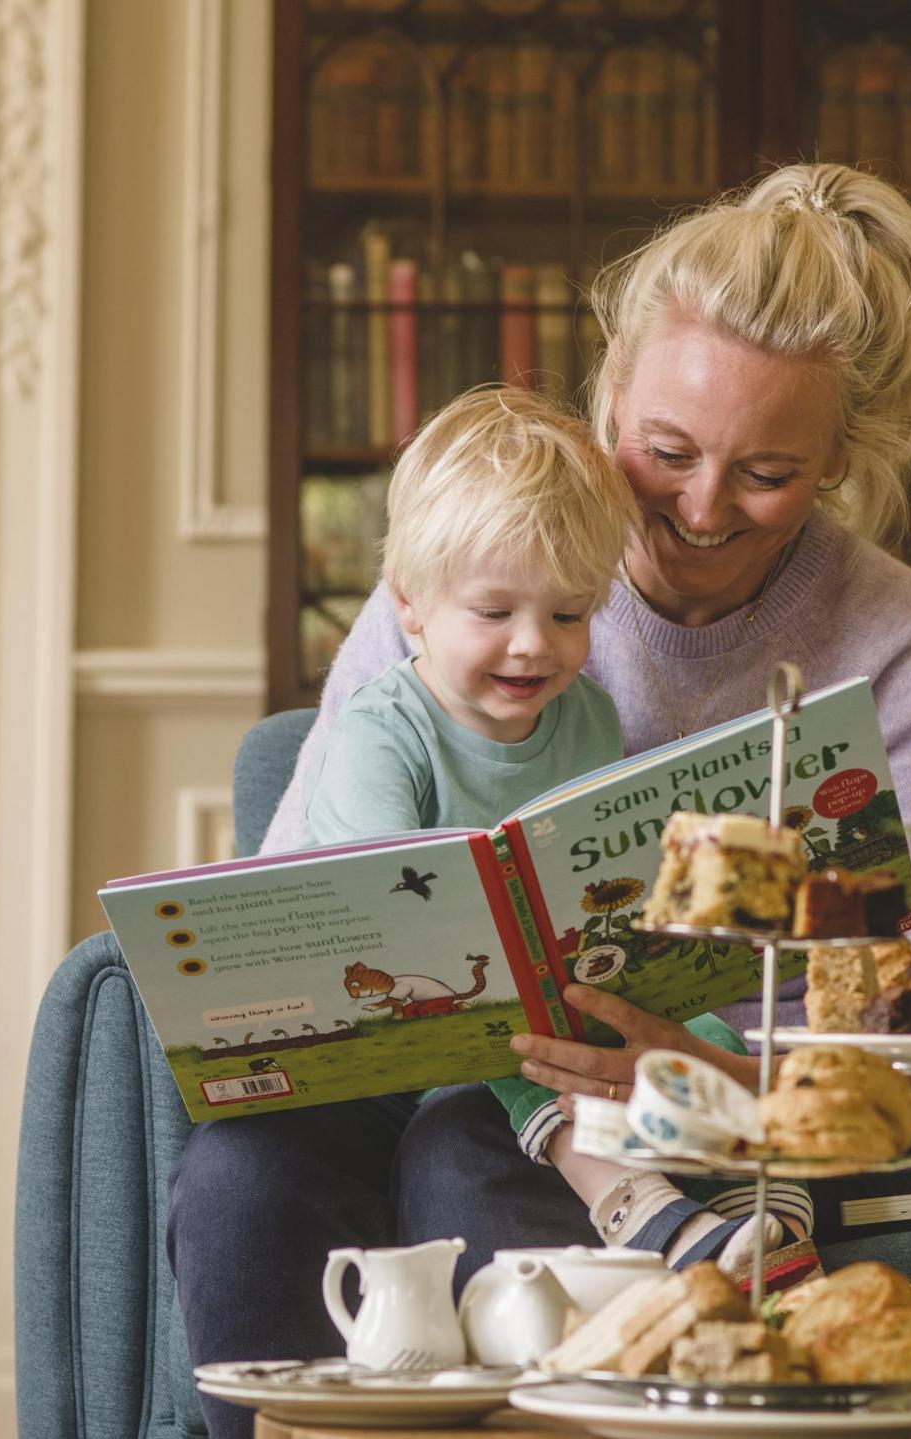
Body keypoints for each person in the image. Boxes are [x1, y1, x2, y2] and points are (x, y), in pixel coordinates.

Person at [170, 162, 911, 1438]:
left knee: (472, 1150)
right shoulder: (474, 563)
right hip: (421, 1056)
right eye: (663, 451)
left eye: (767, 471)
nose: (700, 506)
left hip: (703, 1108)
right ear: (607, 392)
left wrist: (702, 1079)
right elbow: (301, 893)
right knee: (243, 1178)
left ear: (841, 457)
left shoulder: (906, 649)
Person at [290, 381, 815, 1292]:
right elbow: (368, 907)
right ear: (410, 604)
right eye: (495, 614)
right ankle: (640, 1210)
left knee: (691, 1028)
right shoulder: (384, 730)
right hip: (435, 1021)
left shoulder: (588, 718)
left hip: (559, 990)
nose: (535, 646)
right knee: (522, 1032)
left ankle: (757, 1203)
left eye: (570, 614)